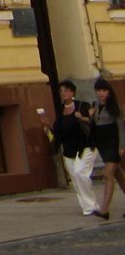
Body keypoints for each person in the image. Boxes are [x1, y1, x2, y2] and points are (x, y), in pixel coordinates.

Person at [53, 80, 101, 217]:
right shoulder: (60, 110)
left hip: (85, 146)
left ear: (73, 92)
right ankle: (88, 206)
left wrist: (82, 117)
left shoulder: (82, 105)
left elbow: (93, 122)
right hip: (69, 149)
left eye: (66, 91)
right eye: (61, 91)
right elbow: (57, 130)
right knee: (76, 179)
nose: (64, 93)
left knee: (80, 173)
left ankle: (91, 206)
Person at [95, 77, 125, 219]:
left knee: (108, 175)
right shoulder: (94, 106)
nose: (101, 93)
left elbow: (121, 128)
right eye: (99, 90)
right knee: (118, 176)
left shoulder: (114, 107)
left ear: (109, 92)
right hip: (102, 145)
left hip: (113, 144)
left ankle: (104, 209)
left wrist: (122, 146)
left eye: (104, 90)